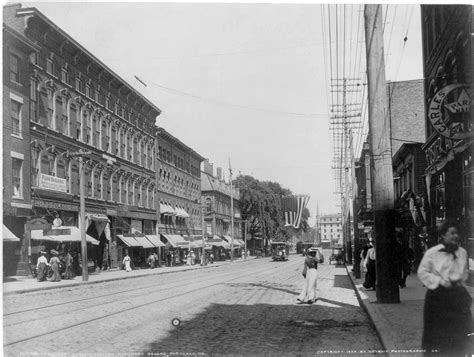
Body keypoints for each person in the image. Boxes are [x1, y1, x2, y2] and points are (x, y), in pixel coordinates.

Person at [417, 220, 471, 356]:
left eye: (457, 233)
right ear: (443, 235)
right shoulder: (432, 252)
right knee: (436, 333)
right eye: (452, 233)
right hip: (437, 297)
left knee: (460, 332)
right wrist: (440, 281)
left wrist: (460, 280)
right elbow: (422, 272)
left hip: (457, 296)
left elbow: (464, 272)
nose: (455, 236)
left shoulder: (463, 252)